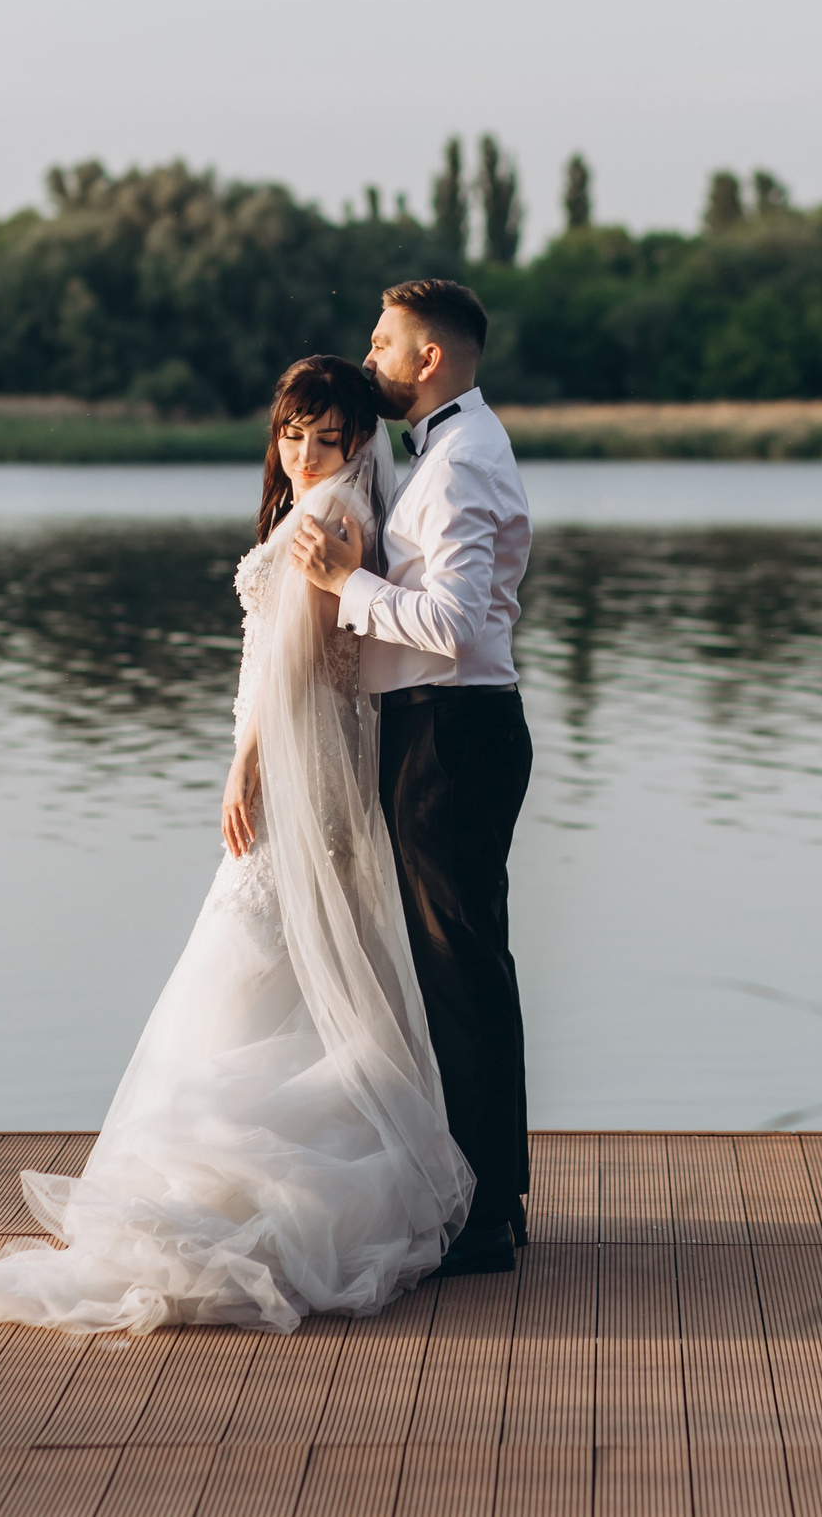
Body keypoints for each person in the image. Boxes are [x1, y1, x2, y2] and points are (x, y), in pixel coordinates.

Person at [0, 355, 473, 1335]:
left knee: (249, 955)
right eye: (291, 434)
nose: (303, 453)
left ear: (358, 440)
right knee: (291, 965)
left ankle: (246, 1192)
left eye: (325, 437)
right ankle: (283, 1172)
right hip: (311, 765)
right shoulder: (333, 508)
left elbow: (295, 662)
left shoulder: (328, 518)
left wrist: (245, 765)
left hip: (291, 765)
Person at [289, 279, 534, 1277]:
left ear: (428, 358)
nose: (369, 357)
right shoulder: (452, 447)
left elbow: (455, 626)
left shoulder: (462, 460)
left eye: (382, 343)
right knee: (468, 967)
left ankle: (483, 1219)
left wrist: (343, 583)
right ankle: (497, 1197)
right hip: (449, 727)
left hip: (452, 733)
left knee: (457, 971)